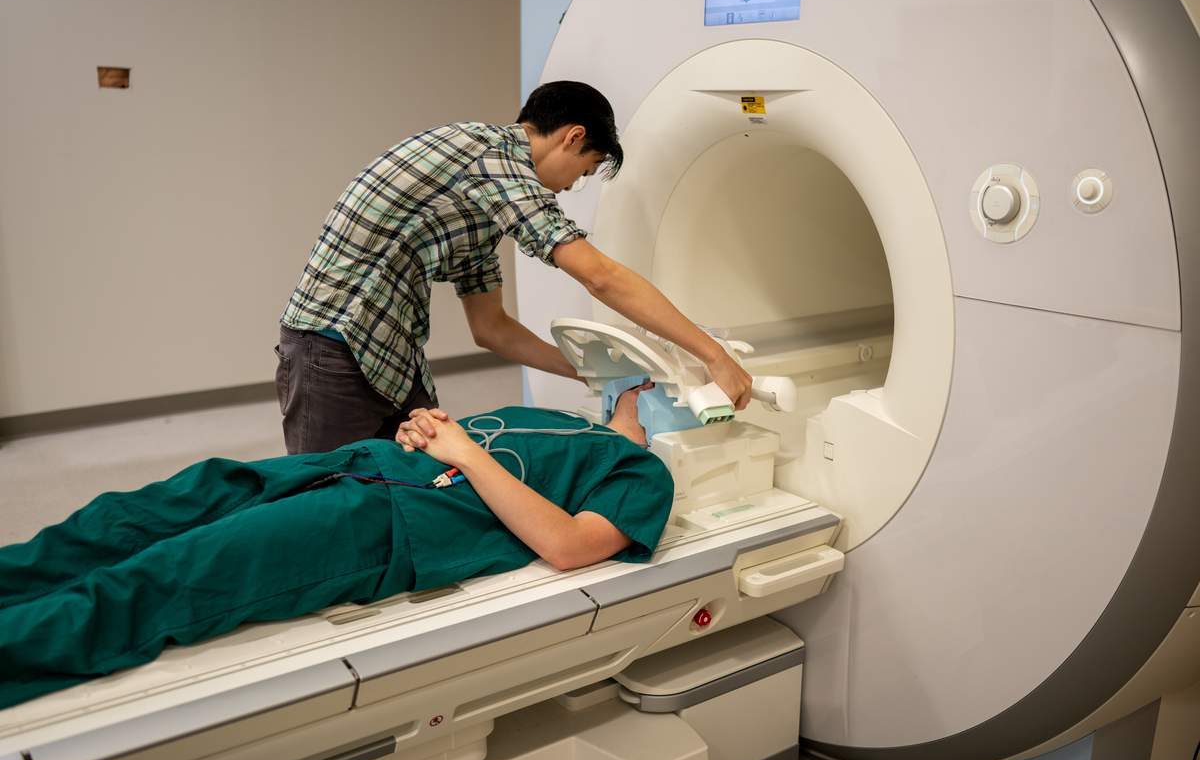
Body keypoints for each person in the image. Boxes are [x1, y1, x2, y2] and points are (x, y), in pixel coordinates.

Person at [0, 383, 670, 711]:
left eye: (661, 390)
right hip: (355, 462)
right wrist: (426, 430)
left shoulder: (643, 473)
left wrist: (462, 450)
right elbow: (461, 445)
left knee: (168, 575)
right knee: (123, 520)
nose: (643, 391)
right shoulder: (562, 417)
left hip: (383, 522)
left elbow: (568, 544)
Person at [276, 80, 752, 454]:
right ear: (573, 137)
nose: (570, 188)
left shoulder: (483, 205)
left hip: (392, 356)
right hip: (332, 346)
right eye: (584, 172)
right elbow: (599, 275)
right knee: (326, 498)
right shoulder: (491, 156)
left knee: (420, 484)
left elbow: (492, 329)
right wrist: (714, 355)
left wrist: (599, 374)